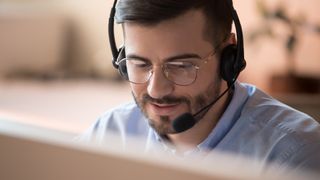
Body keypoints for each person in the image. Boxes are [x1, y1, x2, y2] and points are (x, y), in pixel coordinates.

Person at [81, 0, 320, 172]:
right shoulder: (110, 132)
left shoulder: (294, 155)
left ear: (230, 58)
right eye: (139, 64)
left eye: (181, 65)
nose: (156, 90)